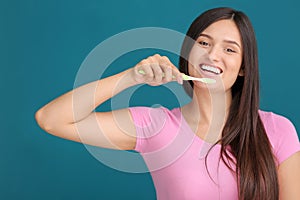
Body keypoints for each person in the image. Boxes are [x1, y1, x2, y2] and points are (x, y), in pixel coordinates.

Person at [35, 7, 300, 200]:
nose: (212, 55)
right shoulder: (157, 127)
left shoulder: (278, 130)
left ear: (243, 68)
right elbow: (50, 119)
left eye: (229, 49)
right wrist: (130, 77)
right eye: (203, 43)